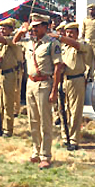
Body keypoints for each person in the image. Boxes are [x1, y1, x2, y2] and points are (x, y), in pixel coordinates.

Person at [14, 13, 64, 170]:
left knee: (45, 122)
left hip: (44, 84)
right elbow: (14, 41)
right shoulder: (30, 42)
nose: (33, 29)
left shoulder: (52, 43)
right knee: (33, 121)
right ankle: (36, 151)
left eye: (36, 26)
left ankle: (45, 155)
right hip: (30, 83)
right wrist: (22, 31)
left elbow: (58, 67)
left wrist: (54, 90)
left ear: (45, 26)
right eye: (32, 26)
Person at [49, 22, 91, 150]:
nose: (69, 34)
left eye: (72, 32)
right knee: (63, 110)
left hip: (76, 79)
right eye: (67, 32)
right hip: (63, 80)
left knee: (75, 111)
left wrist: (59, 37)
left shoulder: (83, 44)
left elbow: (77, 45)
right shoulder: (62, 47)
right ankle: (64, 137)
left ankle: (73, 140)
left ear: (77, 33)